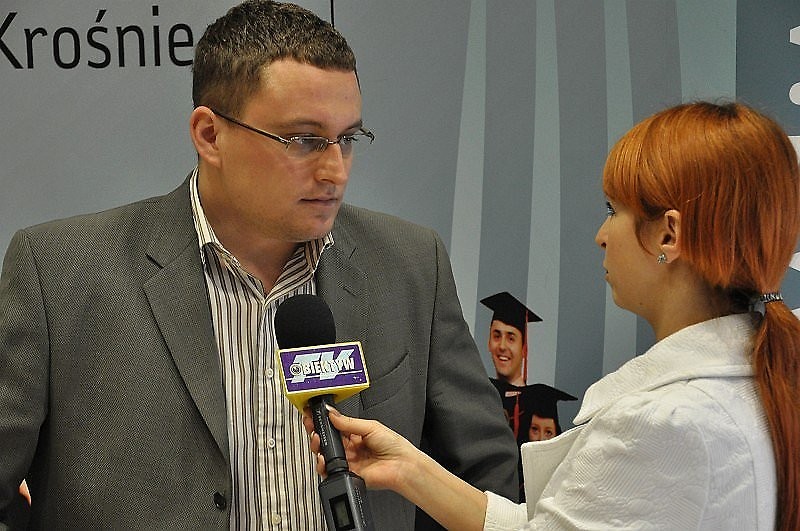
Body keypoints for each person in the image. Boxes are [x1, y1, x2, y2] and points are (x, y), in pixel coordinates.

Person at [0, 1, 519, 529]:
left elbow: (490, 486)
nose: (335, 171)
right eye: (304, 140)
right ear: (209, 135)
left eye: (347, 139)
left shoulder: (409, 264)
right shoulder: (60, 272)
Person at [305, 101, 800, 530]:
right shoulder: (760, 386)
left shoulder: (662, 424)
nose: (601, 236)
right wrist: (410, 470)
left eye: (614, 210)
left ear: (668, 235)